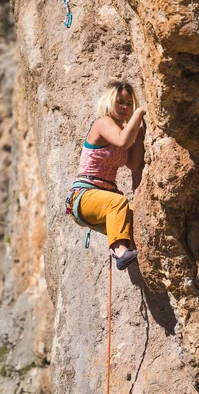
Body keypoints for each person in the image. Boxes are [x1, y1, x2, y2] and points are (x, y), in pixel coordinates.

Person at [65, 81, 146, 270]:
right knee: (118, 203)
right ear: (110, 102)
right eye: (120, 102)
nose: (125, 107)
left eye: (129, 103)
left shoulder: (123, 130)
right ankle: (120, 253)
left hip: (99, 199)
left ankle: (125, 252)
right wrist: (139, 113)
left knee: (134, 218)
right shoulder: (103, 123)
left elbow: (133, 164)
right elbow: (122, 141)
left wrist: (141, 134)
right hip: (84, 196)